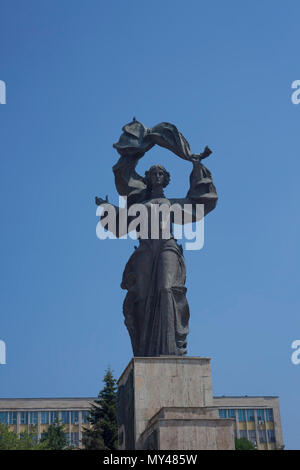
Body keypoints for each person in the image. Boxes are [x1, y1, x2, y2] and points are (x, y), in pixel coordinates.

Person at [95, 120, 218, 356]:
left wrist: (195, 165)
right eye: (152, 173)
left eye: (160, 173)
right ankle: (144, 351)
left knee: (166, 289)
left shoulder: (172, 203)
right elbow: (121, 225)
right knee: (140, 297)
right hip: (144, 251)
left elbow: (201, 203)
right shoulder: (140, 205)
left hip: (166, 248)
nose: (156, 176)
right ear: (147, 178)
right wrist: (108, 209)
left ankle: (173, 348)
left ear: (166, 179)